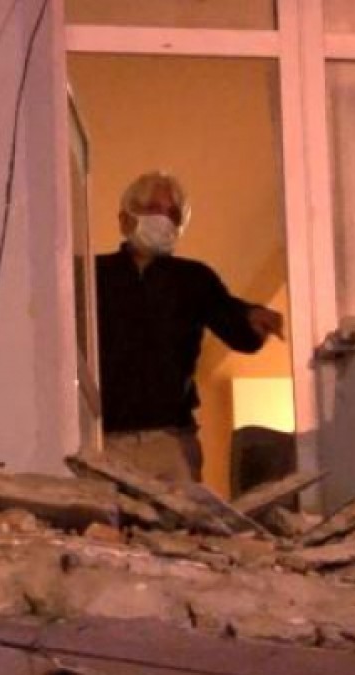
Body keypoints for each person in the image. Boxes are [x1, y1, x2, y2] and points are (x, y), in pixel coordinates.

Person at [95, 171, 284, 485]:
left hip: (171, 441)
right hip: (105, 440)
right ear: (125, 219)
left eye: (173, 214)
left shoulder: (194, 279)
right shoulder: (94, 275)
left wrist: (253, 317)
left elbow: (233, 322)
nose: (164, 219)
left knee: (182, 516)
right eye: (153, 209)